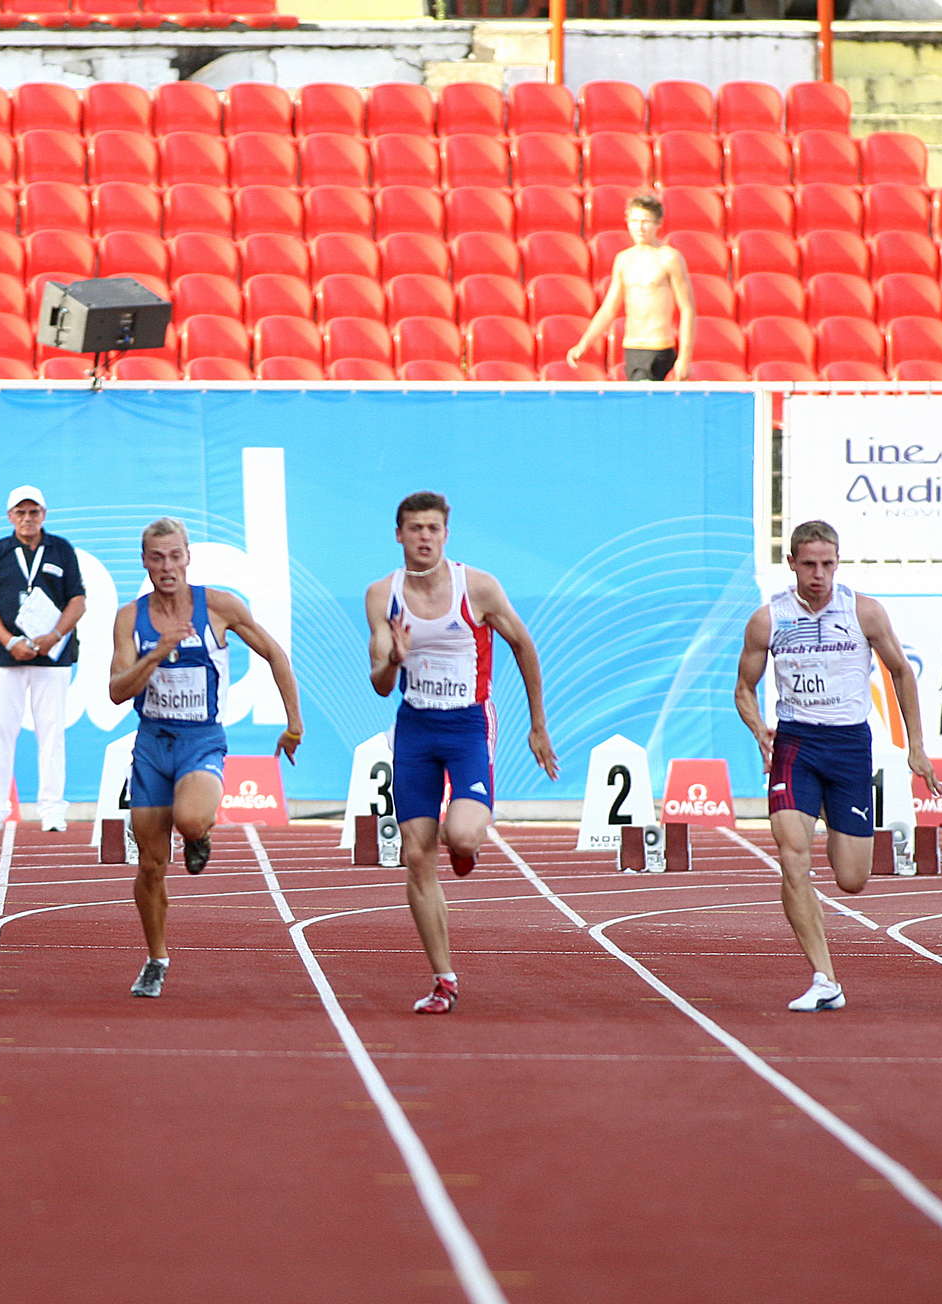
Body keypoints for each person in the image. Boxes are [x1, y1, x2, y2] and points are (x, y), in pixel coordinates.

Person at [365, 492, 561, 1015]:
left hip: (468, 725)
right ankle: (444, 978)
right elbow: (380, 683)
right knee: (415, 855)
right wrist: (395, 659)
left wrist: (538, 726)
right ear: (399, 535)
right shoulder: (383, 595)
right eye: (415, 528)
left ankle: (463, 844)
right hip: (415, 728)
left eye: (433, 528)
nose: (424, 537)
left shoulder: (477, 587)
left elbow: (523, 645)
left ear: (446, 535)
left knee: (464, 834)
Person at [735, 520, 939, 1013]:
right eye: (809, 564)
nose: (819, 574)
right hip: (796, 744)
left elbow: (901, 672)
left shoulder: (863, 612)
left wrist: (915, 746)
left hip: (849, 746)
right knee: (792, 857)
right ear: (791, 564)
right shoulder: (769, 620)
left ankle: (827, 812)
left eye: (827, 564)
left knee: (852, 878)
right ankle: (824, 977)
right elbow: (743, 688)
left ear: (838, 563)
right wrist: (759, 728)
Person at [109, 517, 303, 999]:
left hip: (201, 739)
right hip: (152, 745)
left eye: (175, 556)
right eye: (157, 557)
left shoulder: (218, 606)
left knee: (191, 818)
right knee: (151, 865)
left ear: (188, 557)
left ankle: (199, 835)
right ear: (144, 561)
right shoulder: (130, 618)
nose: (167, 566)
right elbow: (116, 690)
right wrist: (156, 654)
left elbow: (275, 654)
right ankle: (156, 959)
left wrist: (293, 724)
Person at [0, 485, 87, 834]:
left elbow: (77, 600)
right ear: (10, 516)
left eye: (33, 511)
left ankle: (52, 808)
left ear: (43, 514)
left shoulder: (61, 549)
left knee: (52, 731)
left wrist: (54, 635)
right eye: (20, 512)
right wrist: (9, 641)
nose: (27, 518)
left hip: (50, 655)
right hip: (5, 654)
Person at [566, 193, 696, 381]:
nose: (640, 228)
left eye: (646, 221)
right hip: (633, 348)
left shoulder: (669, 258)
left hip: (658, 346)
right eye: (635, 221)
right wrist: (584, 344)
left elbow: (687, 308)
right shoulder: (624, 259)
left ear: (658, 223)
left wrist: (685, 356)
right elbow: (609, 308)